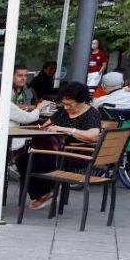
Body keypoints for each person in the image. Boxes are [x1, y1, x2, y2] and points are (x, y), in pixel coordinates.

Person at [24, 81, 102, 211]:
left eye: (69, 104)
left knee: (36, 161)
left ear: (82, 100)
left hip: (76, 154)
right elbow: (47, 126)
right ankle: (44, 193)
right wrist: (46, 128)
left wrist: (66, 129)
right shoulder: (62, 112)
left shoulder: (91, 114)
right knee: (23, 161)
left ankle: (49, 192)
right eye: (64, 103)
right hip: (56, 151)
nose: (66, 107)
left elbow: (92, 136)